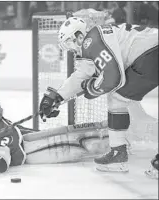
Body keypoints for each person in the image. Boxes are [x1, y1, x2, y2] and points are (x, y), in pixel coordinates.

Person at [39, 16, 158, 176]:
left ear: (79, 36)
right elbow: (82, 75)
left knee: (116, 98)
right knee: (117, 98)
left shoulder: (91, 40)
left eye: (69, 42)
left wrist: (92, 88)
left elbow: (114, 77)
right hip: (151, 52)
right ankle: (119, 154)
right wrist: (58, 97)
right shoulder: (93, 43)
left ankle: (118, 155)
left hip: (151, 54)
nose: (70, 49)